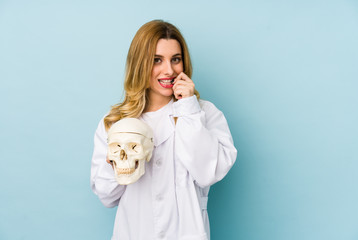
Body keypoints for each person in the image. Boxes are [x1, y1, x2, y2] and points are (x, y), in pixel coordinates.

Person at [90, 19, 237, 240]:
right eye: (156, 60)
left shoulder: (204, 113)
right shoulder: (115, 122)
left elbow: (209, 172)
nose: (169, 70)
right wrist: (119, 162)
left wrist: (187, 108)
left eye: (175, 59)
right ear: (140, 64)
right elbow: (106, 195)